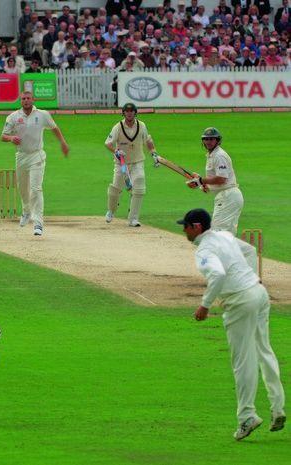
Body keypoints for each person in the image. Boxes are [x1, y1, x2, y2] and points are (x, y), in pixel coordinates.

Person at [178, 208, 285, 440]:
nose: (183, 229)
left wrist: (204, 305)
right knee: (264, 350)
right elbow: (250, 249)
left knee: (242, 360)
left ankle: (247, 416)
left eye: (185, 225)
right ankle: (278, 407)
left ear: (196, 227)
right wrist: (251, 277)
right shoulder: (224, 236)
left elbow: (217, 274)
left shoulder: (205, 249)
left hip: (240, 301)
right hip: (258, 292)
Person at [1, 91, 70, 236]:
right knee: (22, 188)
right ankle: (26, 211)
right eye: (23, 99)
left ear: (33, 100)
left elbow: (54, 128)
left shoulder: (42, 114)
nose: (26, 101)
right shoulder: (14, 117)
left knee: (36, 188)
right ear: (21, 101)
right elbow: (3, 136)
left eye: (28, 98)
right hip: (21, 156)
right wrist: (11, 138)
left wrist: (62, 142)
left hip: (37, 155)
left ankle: (38, 223)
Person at [104, 103, 158, 227]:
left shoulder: (142, 126)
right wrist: (116, 152)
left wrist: (153, 153)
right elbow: (108, 143)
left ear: (135, 112)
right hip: (121, 164)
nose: (129, 113)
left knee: (139, 187)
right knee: (115, 189)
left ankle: (133, 218)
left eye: (131, 111)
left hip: (137, 162)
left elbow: (148, 140)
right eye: (127, 111)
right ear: (123, 113)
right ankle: (111, 211)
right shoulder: (118, 127)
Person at [186, 127, 243, 234]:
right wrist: (205, 184)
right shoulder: (212, 155)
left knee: (218, 231)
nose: (208, 141)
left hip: (228, 197)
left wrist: (200, 181)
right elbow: (217, 178)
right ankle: (230, 250)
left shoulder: (219, 155)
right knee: (226, 232)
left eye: (212, 139)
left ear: (217, 140)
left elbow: (222, 179)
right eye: (206, 139)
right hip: (227, 196)